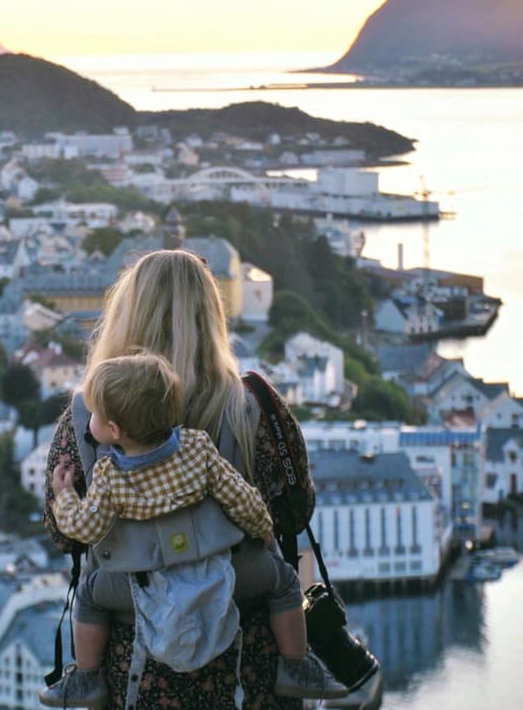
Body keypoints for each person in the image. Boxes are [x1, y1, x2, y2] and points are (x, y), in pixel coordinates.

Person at [43, 248, 331, 710]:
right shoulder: (252, 406)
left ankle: (84, 677)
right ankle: (298, 667)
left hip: (133, 659)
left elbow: (65, 535)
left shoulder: (87, 419)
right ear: (210, 315)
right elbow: (295, 509)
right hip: (244, 655)